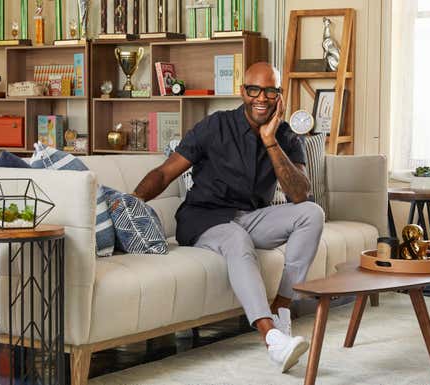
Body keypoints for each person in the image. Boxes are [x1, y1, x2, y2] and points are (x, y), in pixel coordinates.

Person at [132, 62, 324, 373]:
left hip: (250, 217)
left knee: (312, 215)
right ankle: (272, 339)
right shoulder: (214, 127)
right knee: (237, 238)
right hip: (203, 219)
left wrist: (270, 140)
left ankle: (281, 310)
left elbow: (299, 196)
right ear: (242, 92)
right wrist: (132, 202)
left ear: (279, 95)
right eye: (254, 90)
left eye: (270, 91)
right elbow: (166, 172)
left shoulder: (285, 136)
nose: (261, 98)